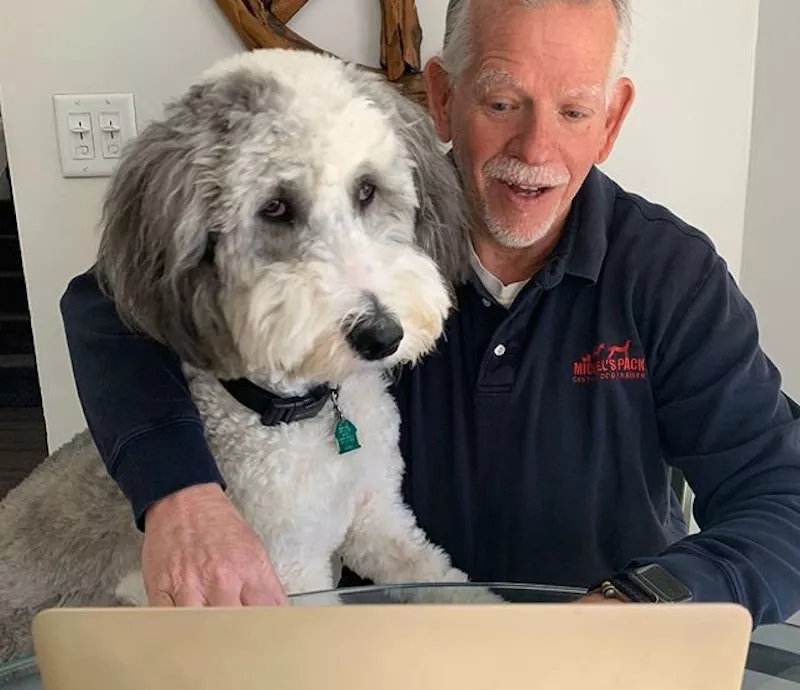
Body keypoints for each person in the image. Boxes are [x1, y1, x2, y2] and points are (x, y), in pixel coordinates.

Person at [60, 0, 800, 625]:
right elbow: (110, 304)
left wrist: (642, 602)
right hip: (374, 655)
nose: (536, 148)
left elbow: (782, 497)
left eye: (575, 111)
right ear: (442, 97)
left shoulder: (673, 274)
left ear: (612, 120)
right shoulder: (373, 210)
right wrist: (181, 497)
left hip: (599, 656)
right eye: (503, 103)